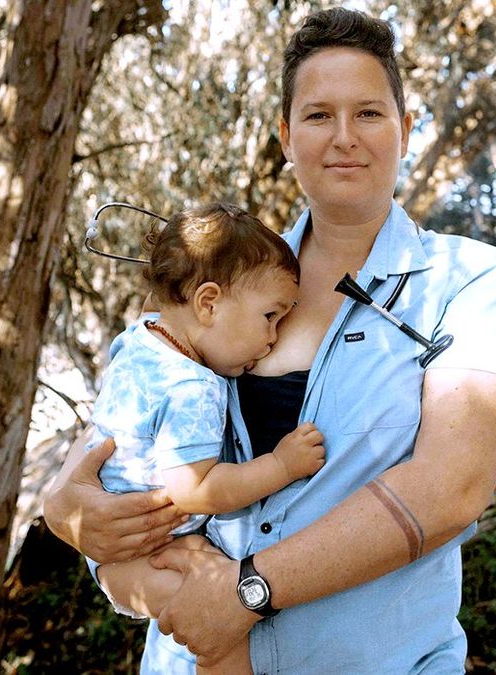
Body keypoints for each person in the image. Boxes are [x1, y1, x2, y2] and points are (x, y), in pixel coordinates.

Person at [44, 7, 496, 673]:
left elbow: (451, 491)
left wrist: (248, 591)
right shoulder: (222, 276)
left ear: (406, 128)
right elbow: (130, 421)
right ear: (285, 135)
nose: (344, 138)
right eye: (318, 115)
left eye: (369, 113)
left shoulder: (470, 280)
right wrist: (66, 506)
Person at [82, 203, 325, 674]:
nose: (273, 337)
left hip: (134, 547)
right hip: (141, 554)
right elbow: (194, 490)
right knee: (220, 631)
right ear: (208, 303)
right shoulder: (192, 386)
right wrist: (281, 466)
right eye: (270, 317)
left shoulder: (139, 338)